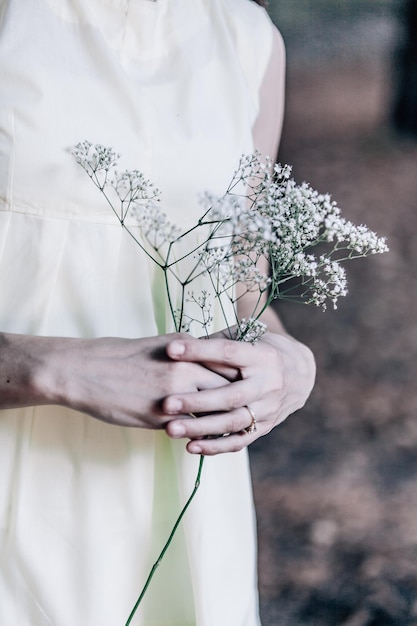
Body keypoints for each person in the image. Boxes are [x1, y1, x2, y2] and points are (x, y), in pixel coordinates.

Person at [0, 0, 316, 624]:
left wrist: (290, 364)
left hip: (176, 494)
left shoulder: (250, 40)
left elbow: (242, 283)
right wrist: (47, 367)